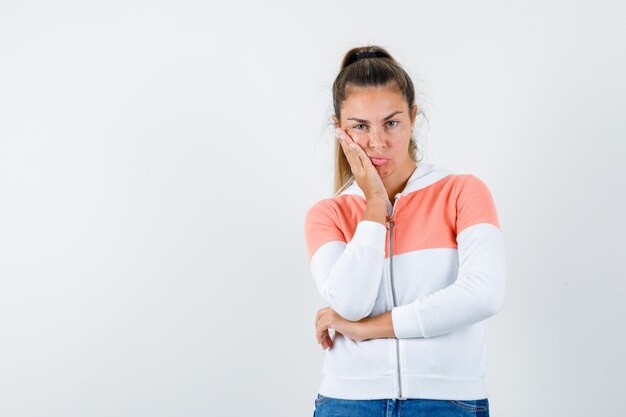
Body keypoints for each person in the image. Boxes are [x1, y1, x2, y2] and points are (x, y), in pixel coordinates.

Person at [303, 45, 507, 417]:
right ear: (339, 129)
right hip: (347, 403)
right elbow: (350, 303)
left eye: (391, 123)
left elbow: (484, 295)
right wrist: (374, 206)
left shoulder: (461, 192)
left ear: (413, 117)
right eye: (360, 126)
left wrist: (369, 330)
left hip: (447, 402)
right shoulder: (327, 214)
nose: (377, 142)